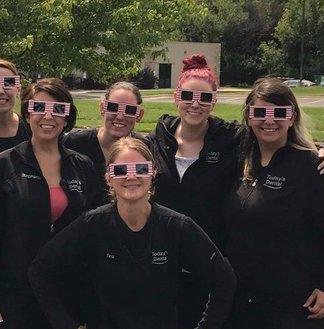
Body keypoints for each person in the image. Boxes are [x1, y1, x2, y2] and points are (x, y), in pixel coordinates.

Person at [147, 53, 324, 328]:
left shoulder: (231, 140)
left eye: (205, 98)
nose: (195, 103)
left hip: (213, 269)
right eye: (188, 95)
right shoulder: (155, 140)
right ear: (176, 96)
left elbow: (276, 135)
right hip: (163, 265)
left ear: (214, 101)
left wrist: (322, 152)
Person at [29, 137, 236, 329]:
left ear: (153, 173)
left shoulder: (177, 226)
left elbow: (224, 278)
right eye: (120, 170)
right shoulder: (91, 225)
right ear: (108, 178)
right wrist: (66, 324)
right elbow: (40, 269)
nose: (131, 176)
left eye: (140, 169)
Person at [223, 77, 324, 328]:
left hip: (296, 306)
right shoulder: (240, 160)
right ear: (248, 116)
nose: (269, 120)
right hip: (245, 303)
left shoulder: (314, 167)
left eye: (279, 112)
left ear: (292, 117)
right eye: (260, 112)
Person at [0, 78, 100, 329]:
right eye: (39, 108)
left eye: (58, 109)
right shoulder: (5, 162)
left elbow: (93, 234)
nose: (48, 117)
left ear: (67, 117)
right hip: (14, 290)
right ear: (27, 113)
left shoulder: (82, 165)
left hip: (65, 290)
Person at [63, 81, 146, 203]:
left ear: (139, 114)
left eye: (130, 110)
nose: (120, 116)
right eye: (113, 107)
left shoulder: (144, 149)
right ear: (102, 108)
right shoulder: (74, 144)